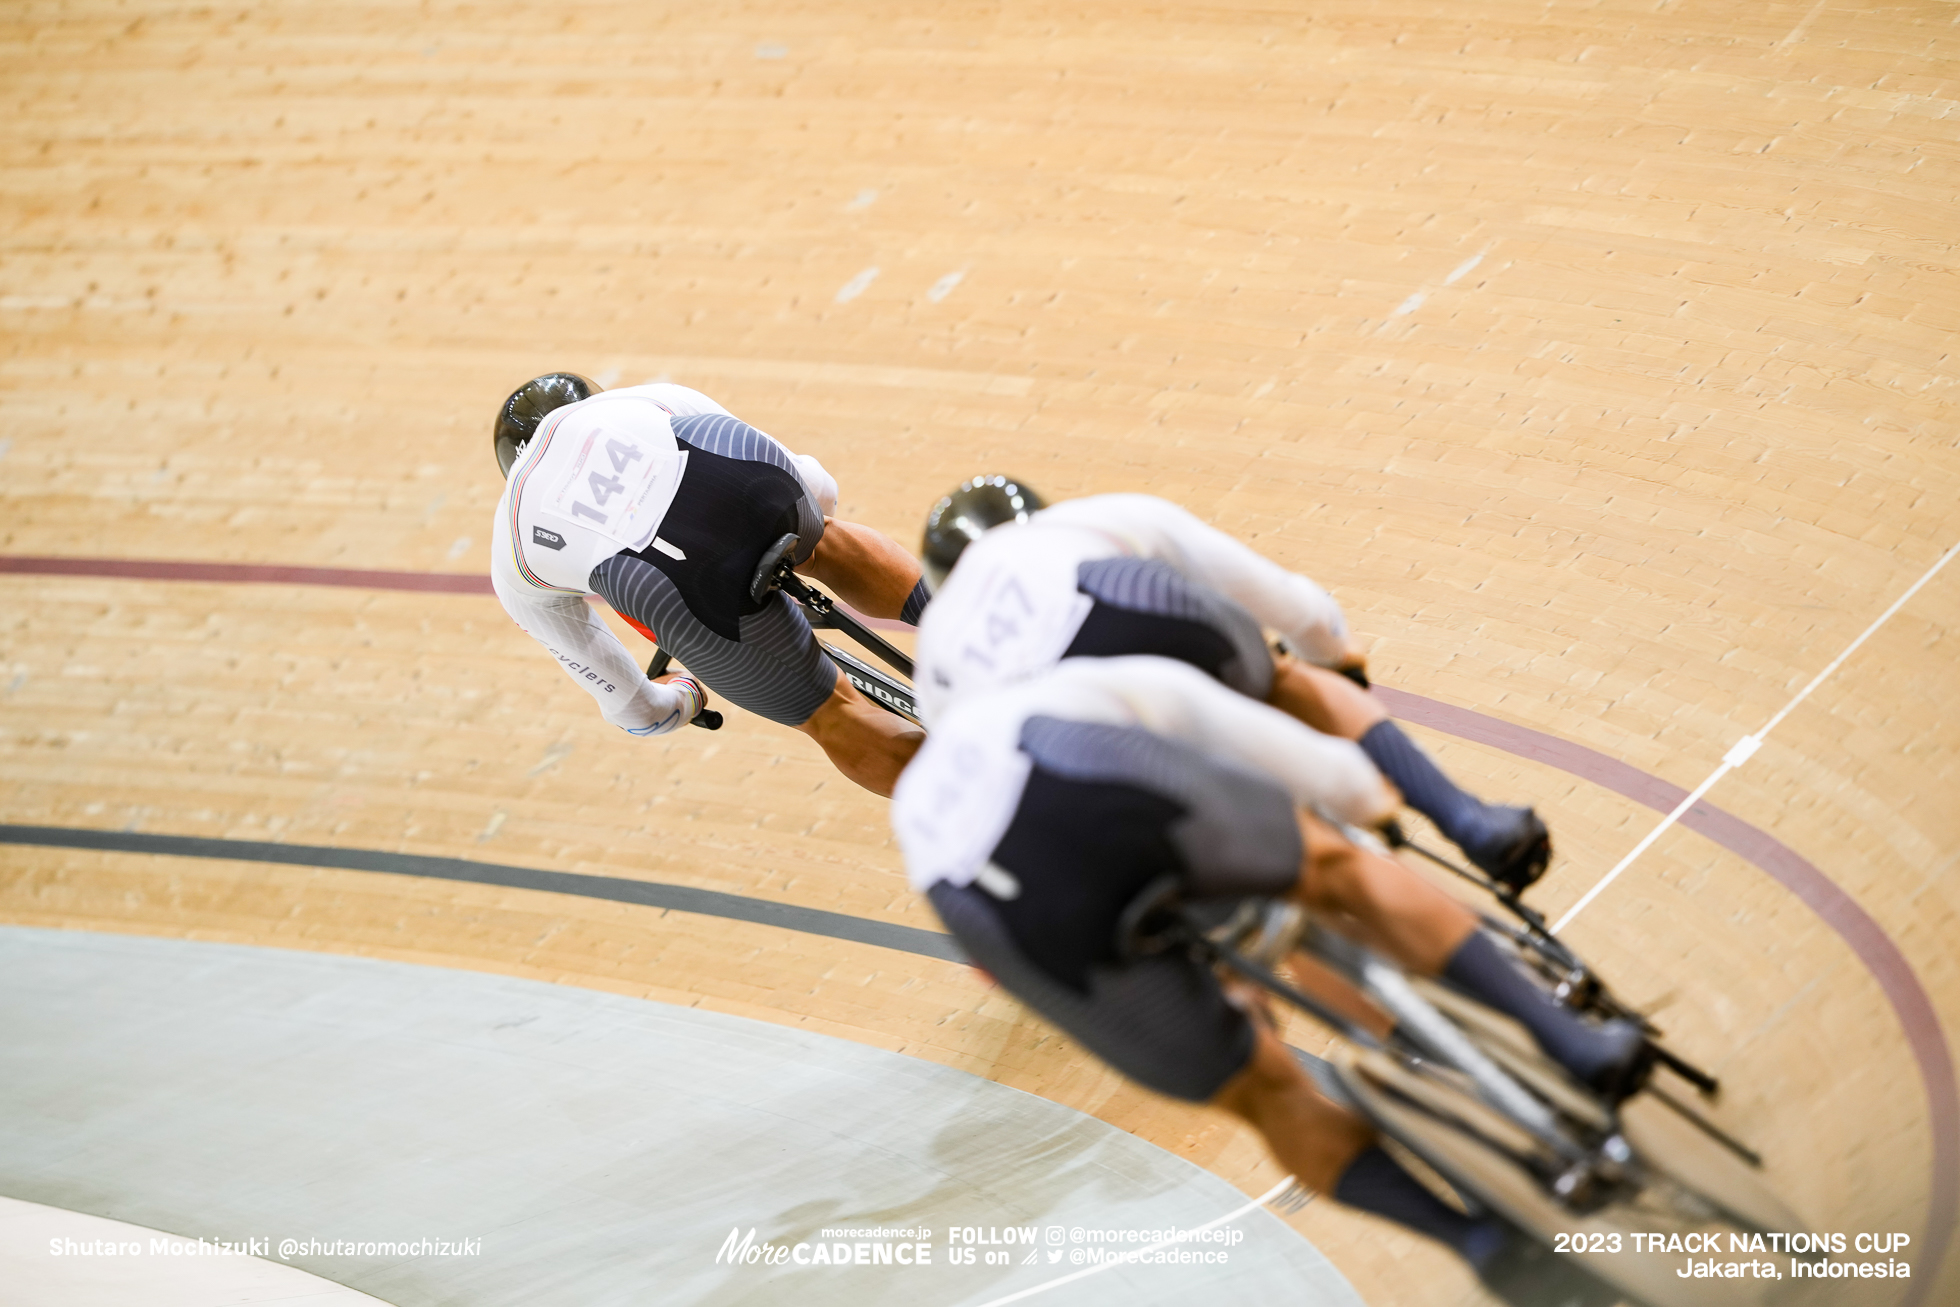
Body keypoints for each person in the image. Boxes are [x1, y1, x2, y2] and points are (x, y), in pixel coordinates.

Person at [891, 655, 1638, 1304]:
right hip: (1084, 782)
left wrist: (1205, 999)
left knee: (1264, 1094)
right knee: (1333, 866)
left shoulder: (914, 825)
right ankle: (1575, 1045)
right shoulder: (1070, 689)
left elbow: (1001, 975)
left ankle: (1474, 1241)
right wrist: (1365, 810)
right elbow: (1277, 753)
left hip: (1005, 912)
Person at [913, 478, 1551, 891]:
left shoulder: (934, 660)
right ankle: (1465, 818)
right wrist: (1336, 661)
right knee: (1283, 679)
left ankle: (1404, 1032)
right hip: (1144, 641)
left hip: (1079, 771)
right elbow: (1293, 609)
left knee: (1291, 897)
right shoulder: (1097, 520)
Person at [489, 373, 926, 795]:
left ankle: (984, 801)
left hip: (674, 587)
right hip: (743, 476)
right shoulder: (639, 398)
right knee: (824, 539)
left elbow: (637, 712)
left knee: (832, 716)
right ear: (591, 398)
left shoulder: (511, 551)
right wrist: (806, 536)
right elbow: (819, 488)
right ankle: (976, 625)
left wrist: (685, 697)